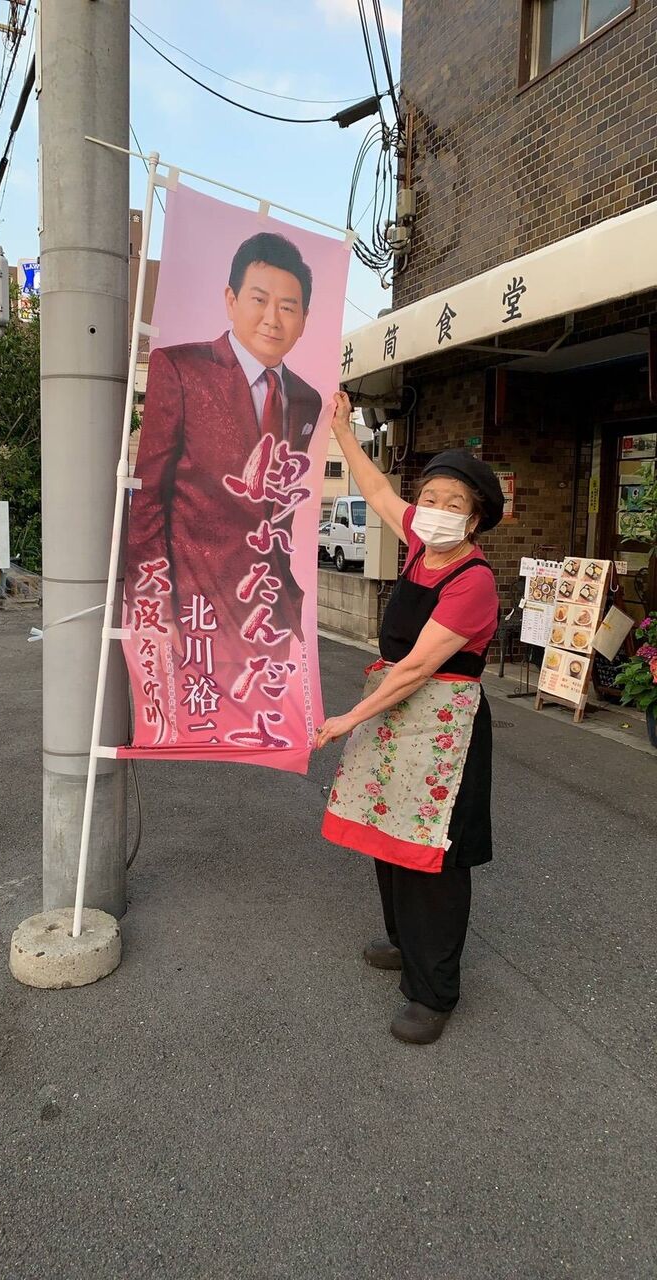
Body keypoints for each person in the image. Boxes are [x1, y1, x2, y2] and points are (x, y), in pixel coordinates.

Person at [316, 391, 504, 1046]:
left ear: (474, 520)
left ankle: (434, 990)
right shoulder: (422, 546)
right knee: (388, 835)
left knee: (434, 855)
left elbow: (418, 667)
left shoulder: (473, 581)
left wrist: (348, 719)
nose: (437, 510)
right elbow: (373, 486)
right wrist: (342, 429)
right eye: (430, 497)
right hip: (396, 719)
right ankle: (404, 943)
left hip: (443, 727)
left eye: (454, 503)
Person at [125, 232, 322, 657]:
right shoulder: (181, 369)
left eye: (288, 308)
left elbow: (279, 511)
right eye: (259, 300)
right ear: (231, 300)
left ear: (304, 319)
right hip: (194, 611)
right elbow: (149, 497)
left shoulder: (307, 399)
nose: (272, 319)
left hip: (269, 614)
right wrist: (153, 604)